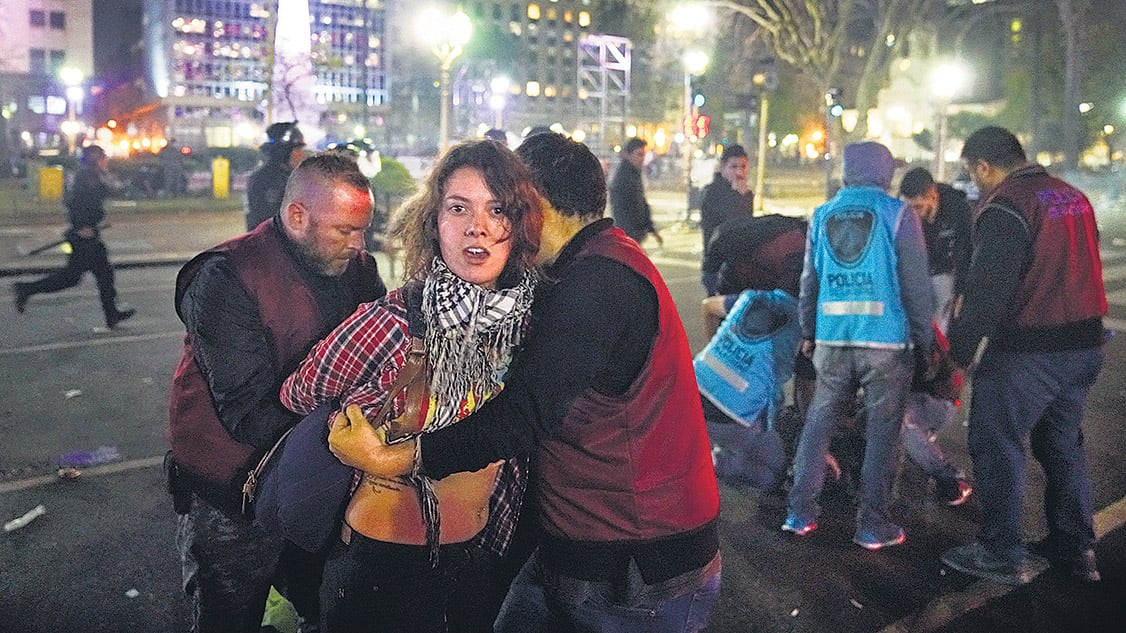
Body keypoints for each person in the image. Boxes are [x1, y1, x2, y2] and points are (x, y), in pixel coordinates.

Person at [328, 132, 722, 632]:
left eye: (503, 206)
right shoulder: (596, 262)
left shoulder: (594, 287)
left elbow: (522, 415)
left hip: (632, 566)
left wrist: (392, 457)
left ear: (532, 202)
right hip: (590, 549)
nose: (490, 225)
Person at [280, 139, 543, 633]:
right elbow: (299, 391)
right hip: (383, 565)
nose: (477, 226)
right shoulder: (397, 318)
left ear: (519, 223)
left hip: (478, 558)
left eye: (497, 209)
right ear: (435, 222)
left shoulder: (528, 324)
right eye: (458, 207)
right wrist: (353, 418)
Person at [167, 152, 387, 632]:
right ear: (297, 216)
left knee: (320, 609)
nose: (359, 243)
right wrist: (349, 436)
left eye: (362, 229)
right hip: (233, 492)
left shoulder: (359, 269)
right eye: (344, 231)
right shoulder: (226, 276)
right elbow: (246, 412)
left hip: (319, 482)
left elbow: (381, 358)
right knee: (231, 616)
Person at [940, 126, 1107, 585]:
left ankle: (1000, 551)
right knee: (1062, 445)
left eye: (973, 173)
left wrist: (958, 356)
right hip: (1085, 344)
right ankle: (1075, 549)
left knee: (997, 443)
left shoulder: (1007, 205)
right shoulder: (1071, 195)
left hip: (1031, 349)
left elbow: (988, 292)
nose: (974, 182)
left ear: (983, 166)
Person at [784, 141, 935, 550]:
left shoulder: (822, 215)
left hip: (832, 340)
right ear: (886, 174)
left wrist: (808, 331)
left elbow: (808, 283)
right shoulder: (899, 214)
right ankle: (873, 524)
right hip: (885, 344)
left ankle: (799, 512)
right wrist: (927, 343)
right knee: (883, 434)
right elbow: (917, 289)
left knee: (818, 425)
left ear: (847, 172)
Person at [897, 166, 974, 507]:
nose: (914, 214)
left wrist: (964, 290)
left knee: (936, 335)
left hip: (944, 277)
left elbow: (971, 249)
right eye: (908, 207)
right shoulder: (907, 217)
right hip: (920, 277)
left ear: (933, 196)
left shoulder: (957, 208)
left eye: (919, 207)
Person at [13, 144, 135, 329]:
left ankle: (112, 314)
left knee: (104, 274)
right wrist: (81, 226)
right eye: (102, 158)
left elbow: (102, 198)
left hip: (90, 234)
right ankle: (26, 289)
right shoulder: (86, 177)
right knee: (72, 277)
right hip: (83, 237)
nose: (105, 161)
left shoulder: (93, 176)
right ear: (96, 159)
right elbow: (74, 203)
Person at [246, 121, 307, 230]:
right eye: (297, 150)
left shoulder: (288, 176)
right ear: (283, 152)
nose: (301, 155)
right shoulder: (270, 180)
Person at [699, 143, 754, 255]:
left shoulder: (745, 192)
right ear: (723, 168)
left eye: (743, 166)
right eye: (733, 167)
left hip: (739, 260)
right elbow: (725, 225)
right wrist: (736, 196)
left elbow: (747, 225)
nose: (739, 172)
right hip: (716, 260)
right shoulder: (711, 192)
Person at [609, 136, 663, 247]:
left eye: (643, 155)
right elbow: (622, 209)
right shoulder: (623, 178)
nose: (642, 158)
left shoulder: (634, 174)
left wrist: (651, 228)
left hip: (634, 235)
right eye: (639, 154)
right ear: (628, 155)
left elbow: (641, 202)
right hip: (629, 235)